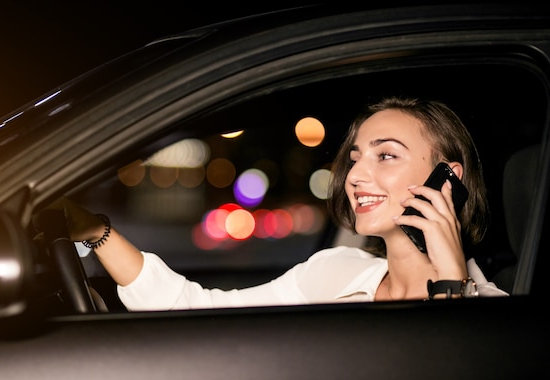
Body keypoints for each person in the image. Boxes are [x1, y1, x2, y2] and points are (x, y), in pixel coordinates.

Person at [54, 96, 507, 311]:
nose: (356, 175)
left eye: (385, 155)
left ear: (447, 178)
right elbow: (192, 309)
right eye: (354, 158)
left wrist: (451, 282)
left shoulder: (500, 315)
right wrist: (97, 231)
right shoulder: (336, 272)